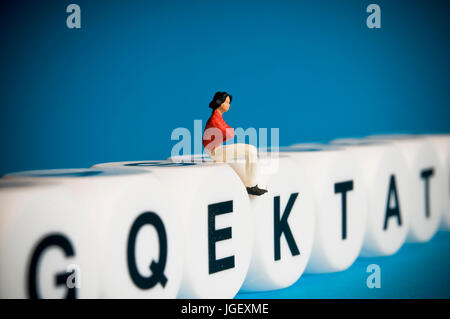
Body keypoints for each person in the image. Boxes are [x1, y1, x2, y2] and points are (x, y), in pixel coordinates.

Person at [203, 91, 268, 196]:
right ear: (220, 102)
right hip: (215, 152)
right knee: (251, 150)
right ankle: (251, 186)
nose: (229, 105)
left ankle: (252, 185)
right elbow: (228, 133)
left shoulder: (218, 117)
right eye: (227, 102)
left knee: (250, 149)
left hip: (215, 148)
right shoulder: (215, 119)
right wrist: (229, 132)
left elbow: (226, 132)